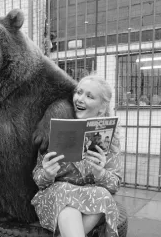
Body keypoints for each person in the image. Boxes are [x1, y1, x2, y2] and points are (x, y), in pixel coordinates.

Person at [31, 75, 122, 237]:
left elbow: (114, 185)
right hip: (56, 196)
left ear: (101, 108)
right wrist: (47, 174)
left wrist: (100, 173)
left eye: (89, 96)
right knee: (65, 200)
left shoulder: (109, 136)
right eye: (78, 92)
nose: (79, 99)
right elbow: (38, 179)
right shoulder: (57, 125)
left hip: (89, 198)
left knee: (103, 195)